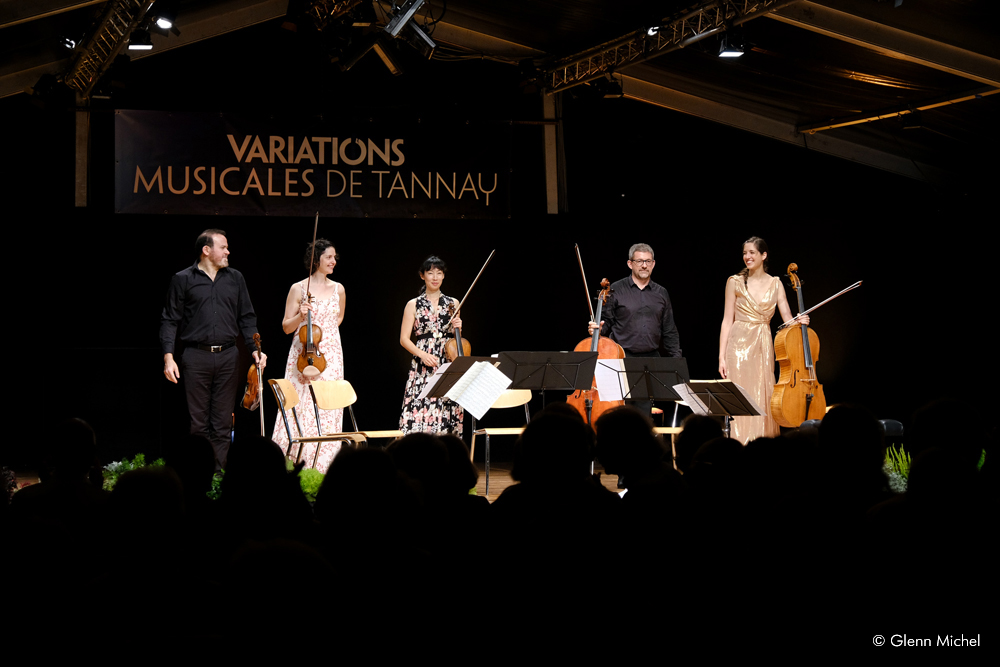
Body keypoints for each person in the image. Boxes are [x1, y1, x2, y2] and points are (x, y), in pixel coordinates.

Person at [161, 229, 266, 471]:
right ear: (206, 250)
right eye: (223, 247)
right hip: (195, 356)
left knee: (222, 421)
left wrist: (255, 349)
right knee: (198, 423)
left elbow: (247, 317)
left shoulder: (235, 278)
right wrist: (168, 357)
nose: (228, 251)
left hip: (228, 356)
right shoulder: (182, 279)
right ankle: (198, 474)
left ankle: (218, 475)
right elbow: (169, 320)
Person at [718, 236, 806, 444]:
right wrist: (721, 357)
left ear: (763, 255)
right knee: (740, 399)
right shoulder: (734, 282)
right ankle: (739, 447)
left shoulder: (776, 283)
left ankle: (762, 450)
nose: (747, 257)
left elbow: (787, 320)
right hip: (738, 347)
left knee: (763, 396)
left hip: (763, 344)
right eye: (745, 253)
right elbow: (727, 321)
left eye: (752, 253)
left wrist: (799, 320)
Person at [271, 238, 346, 472]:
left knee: (328, 407)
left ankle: (324, 467)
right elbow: (286, 327)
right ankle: (295, 463)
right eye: (328, 257)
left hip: (330, 355)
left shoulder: (339, 289)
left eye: (334, 257)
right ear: (316, 260)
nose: (333, 261)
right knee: (301, 405)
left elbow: (338, 319)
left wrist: (325, 337)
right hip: (304, 354)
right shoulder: (299, 288)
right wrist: (301, 316)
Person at [399, 256, 464, 436]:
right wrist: (422, 355)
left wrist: (458, 328)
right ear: (422, 276)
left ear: (443, 276)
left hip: (446, 361)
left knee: (446, 410)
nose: (435, 277)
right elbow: (404, 339)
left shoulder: (453, 303)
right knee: (420, 410)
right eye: (430, 273)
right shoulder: (413, 304)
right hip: (423, 363)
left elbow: (457, 341)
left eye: (439, 273)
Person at [588, 243, 681, 358]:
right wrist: (599, 328)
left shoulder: (661, 292)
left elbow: (669, 330)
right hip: (621, 355)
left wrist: (677, 360)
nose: (644, 265)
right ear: (630, 264)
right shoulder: (615, 289)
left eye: (648, 261)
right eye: (639, 261)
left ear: (653, 264)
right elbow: (606, 320)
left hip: (652, 357)